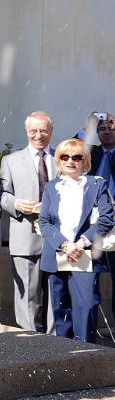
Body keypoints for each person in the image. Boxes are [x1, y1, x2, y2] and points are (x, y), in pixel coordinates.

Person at [39, 138, 114, 342]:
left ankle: (86, 351)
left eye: (76, 157)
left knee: (87, 306)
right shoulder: (51, 187)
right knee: (61, 310)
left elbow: (107, 218)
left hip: (85, 254)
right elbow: (44, 221)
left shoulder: (97, 184)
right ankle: (66, 353)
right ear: (59, 160)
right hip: (58, 254)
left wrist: (81, 243)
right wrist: (64, 245)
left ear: (85, 161)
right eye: (65, 157)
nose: (70, 161)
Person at [0, 111, 56, 333]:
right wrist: (16, 203)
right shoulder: (10, 161)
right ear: (26, 131)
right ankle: (30, 339)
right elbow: (1, 194)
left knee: (55, 292)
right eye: (34, 131)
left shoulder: (62, 158)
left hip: (58, 237)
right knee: (27, 294)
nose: (38, 135)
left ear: (51, 131)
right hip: (24, 233)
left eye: (43, 130)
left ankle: (55, 339)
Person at [89, 113, 115, 320]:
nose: (107, 132)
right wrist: (91, 123)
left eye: (111, 128)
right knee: (89, 279)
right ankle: (87, 328)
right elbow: (73, 145)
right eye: (102, 128)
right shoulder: (90, 152)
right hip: (92, 223)